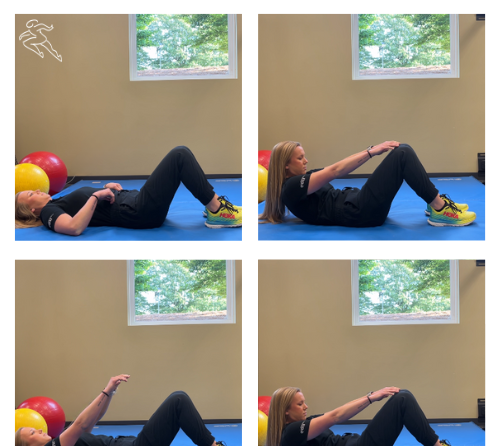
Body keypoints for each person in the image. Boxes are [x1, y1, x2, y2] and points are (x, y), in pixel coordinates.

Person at [15, 374, 242, 446]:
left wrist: (110, 393)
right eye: (33, 432)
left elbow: (93, 420)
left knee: (178, 400)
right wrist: (105, 388)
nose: (41, 429)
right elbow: (81, 425)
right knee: (178, 400)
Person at [15, 146, 242, 235]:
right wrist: (96, 196)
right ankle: (216, 210)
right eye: (30, 194)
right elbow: (74, 228)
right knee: (180, 155)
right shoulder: (48, 213)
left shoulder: (59, 200)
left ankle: (212, 203)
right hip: (138, 212)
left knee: (180, 156)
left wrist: (106, 187)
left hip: (136, 202)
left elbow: (85, 206)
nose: (36, 189)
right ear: (32, 210)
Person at [259, 386, 476, 446]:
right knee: (403, 399)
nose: (306, 407)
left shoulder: (299, 429)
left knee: (403, 394)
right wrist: (372, 397)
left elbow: (337, 411)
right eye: (300, 404)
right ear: (285, 411)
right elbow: (336, 416)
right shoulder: (291, 433)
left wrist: (371, 395)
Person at [259, 141, 475, 227]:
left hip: (358, 204)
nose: (306, 161)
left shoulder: (299, 183)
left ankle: (433, 202)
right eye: (300, 158)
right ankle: (440, 209)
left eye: (304, 156)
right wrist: (372, 152)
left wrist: (370, 149)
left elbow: (337, 165)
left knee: (403, 149)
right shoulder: (291, 187)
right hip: (361, 211)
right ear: (285, 166)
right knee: (403, 153)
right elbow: (336, 171)